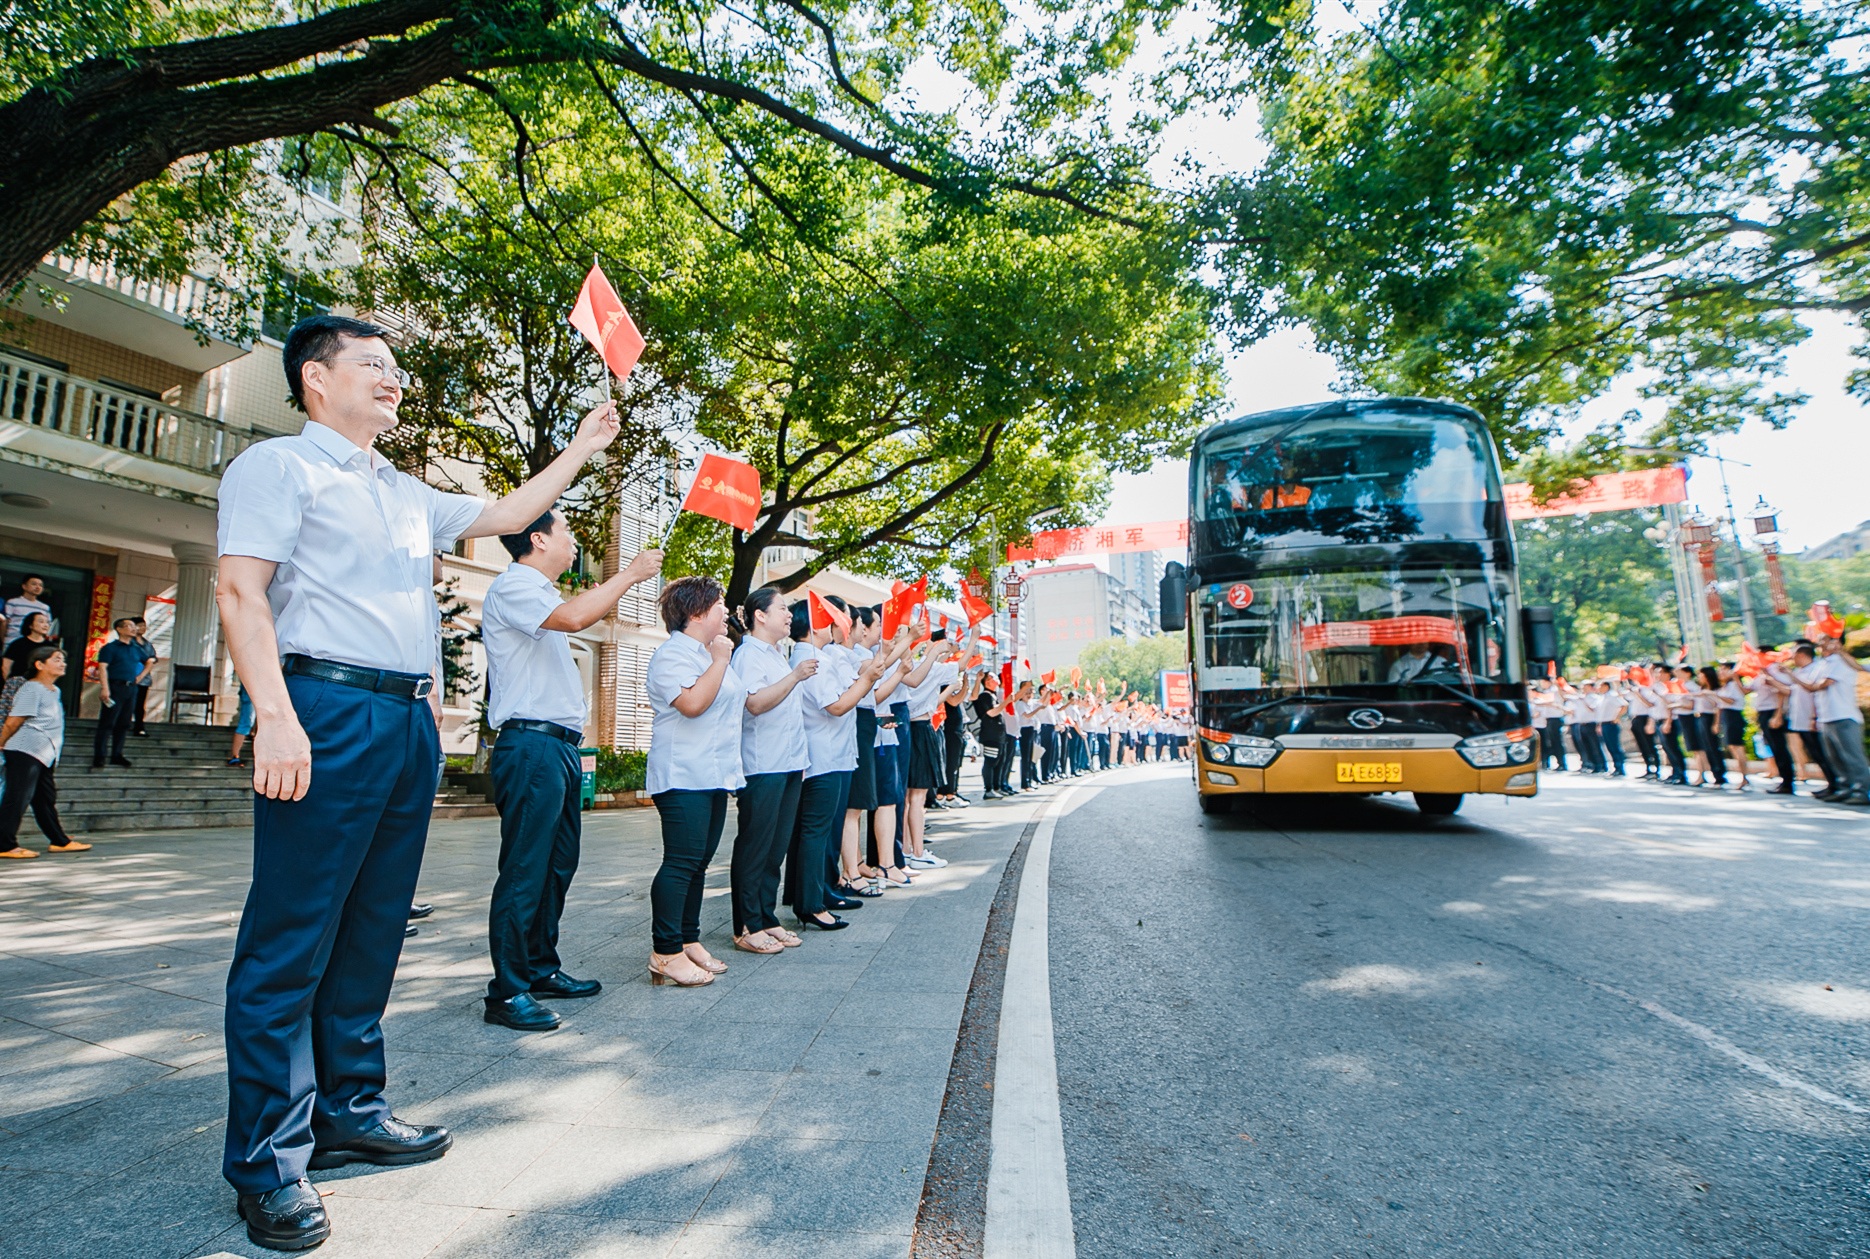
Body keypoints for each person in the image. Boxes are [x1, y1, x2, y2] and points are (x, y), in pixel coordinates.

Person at [213, 314, 623, 1251]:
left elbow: (508, 516)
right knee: (291, 938)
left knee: (372, 926)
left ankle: (350, 1109)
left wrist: (583, 446)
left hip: (406, 720)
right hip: (323, 702)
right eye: (374, 364)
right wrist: (274, 713)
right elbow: (240, 591)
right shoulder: (279, 468)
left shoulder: (400, 489)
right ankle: (269, 1162)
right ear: (316, 379)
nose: (393, 379)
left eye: (397, 367)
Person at [481, 508, 662, 1031]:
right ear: (538, 539)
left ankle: (540, 967)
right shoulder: (515, 586)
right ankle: (507, 990)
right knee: (524, 869)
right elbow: (575, 619)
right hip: (532, 745)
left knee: (557, 864)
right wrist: (628, 574)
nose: (574, 542)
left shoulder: (541, 594)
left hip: (557, 747)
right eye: (567, 533)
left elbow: (578, 614)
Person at [643, 576, 744, 985]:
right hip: (682, 773)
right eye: (720, 604)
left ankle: (688, 940)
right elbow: (692, 704)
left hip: (713, 773)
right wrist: (721, 660)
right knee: (681, 862)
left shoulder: (707, 653)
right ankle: (665, 952)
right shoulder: (672, 656)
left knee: (699, 863)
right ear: (697, 611)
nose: (726, 611)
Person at [729, 587, 816, 955]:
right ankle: (747, 924)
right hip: (762, 764)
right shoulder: (749, 655)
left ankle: (766, 917)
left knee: (775, 847)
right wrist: (795, 677)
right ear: (759, 615)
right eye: (781, 608)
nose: (788, 615)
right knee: (755, 845)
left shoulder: (777, 654)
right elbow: (755, 703)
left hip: (789, 762)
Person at [0, 646, 91, 859]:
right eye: (56, 659)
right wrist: (1, 742)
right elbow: (15, 720)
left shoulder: (54, 690)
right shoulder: (32, 688)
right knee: (18, 797)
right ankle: (4, 844)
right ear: (40, 665)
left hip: (44, 752)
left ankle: (59, 841)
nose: (63, 663)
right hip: (25, 749)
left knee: (44, 798)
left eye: (63, 659)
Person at [1795, 636, 1870, 806]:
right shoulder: (1823, 663)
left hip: (1844, 715)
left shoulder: (1840, 662)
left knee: (1852, 756)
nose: (1822, 642)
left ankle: (1861, 791)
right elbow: (1813, 685)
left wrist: (1840, 651)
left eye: (1828, 639)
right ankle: (1844, 788)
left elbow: (1820, 684)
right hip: (1827, 716)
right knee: (1835, 757)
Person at [92, 617, 148, 769]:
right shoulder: (110, 648)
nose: (133, 628)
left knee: (124, 723)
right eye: (129, 626)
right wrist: (105, 688)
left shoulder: (136, 648)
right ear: (119, 629)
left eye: (133, 626)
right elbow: (102, 668)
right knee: (107, 722)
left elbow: (150, 660)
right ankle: (100, 755)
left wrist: (140, 676)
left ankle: (117, 754)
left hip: (131, 688)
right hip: (115, 686)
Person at [1755, 651, 1797, 793]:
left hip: (1773, 712)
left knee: (1780, 748)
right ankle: (1784, 781)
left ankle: (1788, 783)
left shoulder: (1776, 670)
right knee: (1774, 748)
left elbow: (1783, 691)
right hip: (1764, 713)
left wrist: (1778, 715)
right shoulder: (1762, 672)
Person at [1714, 663, 1752, 791]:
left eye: (1724, 670)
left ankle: (1744, 777)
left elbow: (1732, 700)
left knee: (1737, 746)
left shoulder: (1734, 685)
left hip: (1734, 716)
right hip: (1726, 716)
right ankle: (1742, 777)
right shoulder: (1723, 686)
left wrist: (1715, 695)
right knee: (1732, 747)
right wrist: (1717, 723)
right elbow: (1719, 707)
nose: (1721, 673)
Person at [3, 575, 54, 648]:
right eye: (34, 584)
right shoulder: (13, 602)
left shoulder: (45, 608)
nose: (37, 587)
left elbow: (48, 627)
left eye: (40, 585)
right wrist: (3, 639)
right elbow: (4, 623)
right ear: (24, 586)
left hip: (34, 645)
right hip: (12, 641)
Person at [3, 610, 52, 680]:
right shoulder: (17, 644)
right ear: (30, 625)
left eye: (47, 622)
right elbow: (6, 666)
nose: (45, 625)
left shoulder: (50, 646)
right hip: (17, 683)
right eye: (41, 622)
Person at [128, 616, 157, 735]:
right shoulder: (129, 642)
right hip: (128, 678)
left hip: (143, 679)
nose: (142, 628)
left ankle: (139, 727)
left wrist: (141, 676)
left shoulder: (148, 644)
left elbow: (152, 660)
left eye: (144, 625)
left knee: (140, 705)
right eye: (140, 625)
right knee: (127, 703)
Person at [228, 683, 255, 768]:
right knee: (246, 722)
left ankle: (252, 733)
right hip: (252, 688)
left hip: (253, 688)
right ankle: (234, 756)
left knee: (248, 720)